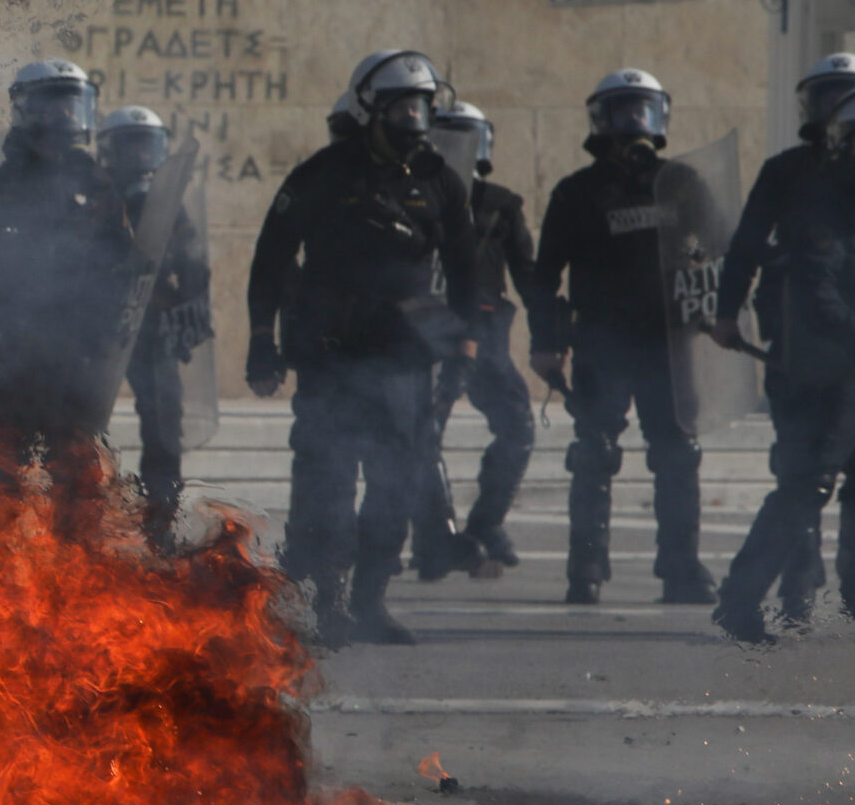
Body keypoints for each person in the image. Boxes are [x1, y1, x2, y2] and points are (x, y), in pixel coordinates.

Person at [246, 50, 479, 647]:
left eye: (423, 104)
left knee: (394, 484)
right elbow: (270, 260)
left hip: (403, 363)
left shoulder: (440, 182)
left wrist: (466, 338)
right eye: (402, 105)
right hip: (330, 358)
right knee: (325, 483)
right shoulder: (322, 175)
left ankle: (371, 599)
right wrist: (260, 341)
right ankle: (326, 602)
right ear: (369, 109)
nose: (414, 116)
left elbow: (464, 265)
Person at [526, 70, 721, 606]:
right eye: (623, 111)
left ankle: (680, 568)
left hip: (669, 340)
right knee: (594, 453)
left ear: (661, 118)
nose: (635, 122)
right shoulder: (578, 192)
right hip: (602, 339)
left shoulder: (682, 184)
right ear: (601, 121)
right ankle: (586, 568)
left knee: (678, 454)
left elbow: (722, 248)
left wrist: (706, 282)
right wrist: (544, 342)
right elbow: (545, 276)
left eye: (644, 110)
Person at [713, 52, 855, 627]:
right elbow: (802, 270)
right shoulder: (801, 179)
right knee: (806, 480)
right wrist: (726, 313)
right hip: (814, 359)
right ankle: (751, 598)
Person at [0, 60, 130, 469]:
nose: (66, 114)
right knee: (4, 467)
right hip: (9, 354)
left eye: (72, 104)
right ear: (27, 109)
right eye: (55, 104)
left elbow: (122, 261)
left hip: (76, 351)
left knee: (76, 470)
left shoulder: (97, 184)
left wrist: (107, 327)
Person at [412, 102, 537, 578]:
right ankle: (433, 540)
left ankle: (486, 522)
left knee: (518, 428)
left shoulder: (500, 204)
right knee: (424, 435)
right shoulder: (417, 198)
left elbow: (527, 273)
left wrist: (552, 332)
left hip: (485, 337)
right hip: (430, 333)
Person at [98, 105, 210, 534]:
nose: (142, 157)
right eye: (133, 147)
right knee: (83, 425)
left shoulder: (169, 204)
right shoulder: (95, 197)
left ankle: (159, 520)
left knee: (164, 430)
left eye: (150, 147)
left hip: (154, 326)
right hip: (100, 326)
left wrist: (188, 309)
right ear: (112, 150)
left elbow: (194, 260)